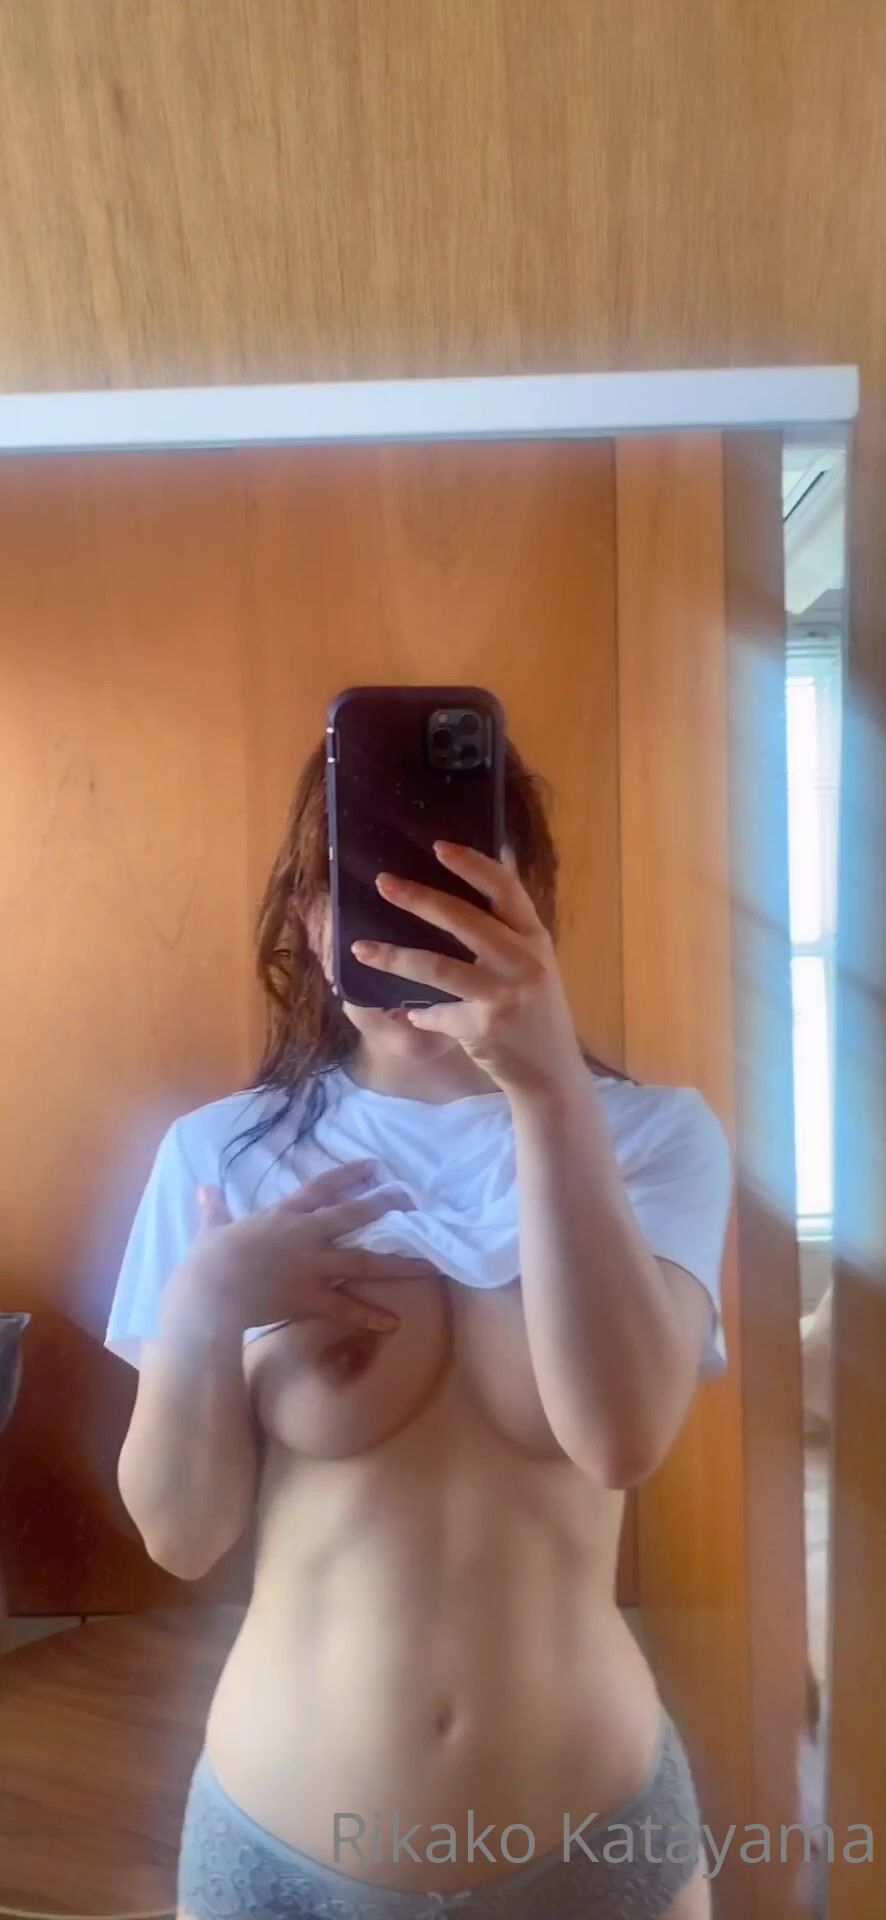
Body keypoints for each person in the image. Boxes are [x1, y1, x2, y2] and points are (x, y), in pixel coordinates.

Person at [108, 735, 732, 1920]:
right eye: (368, 886)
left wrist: (544, 1086)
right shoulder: (219, 1152)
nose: (406, 929)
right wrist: (203, 1307)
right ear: (311, 920)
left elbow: (621, 1440)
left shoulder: (655, 1137)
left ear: (527, 910)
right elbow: (181, 1536)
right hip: (276, 1852)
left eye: (455, 888)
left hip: (593, 1844)